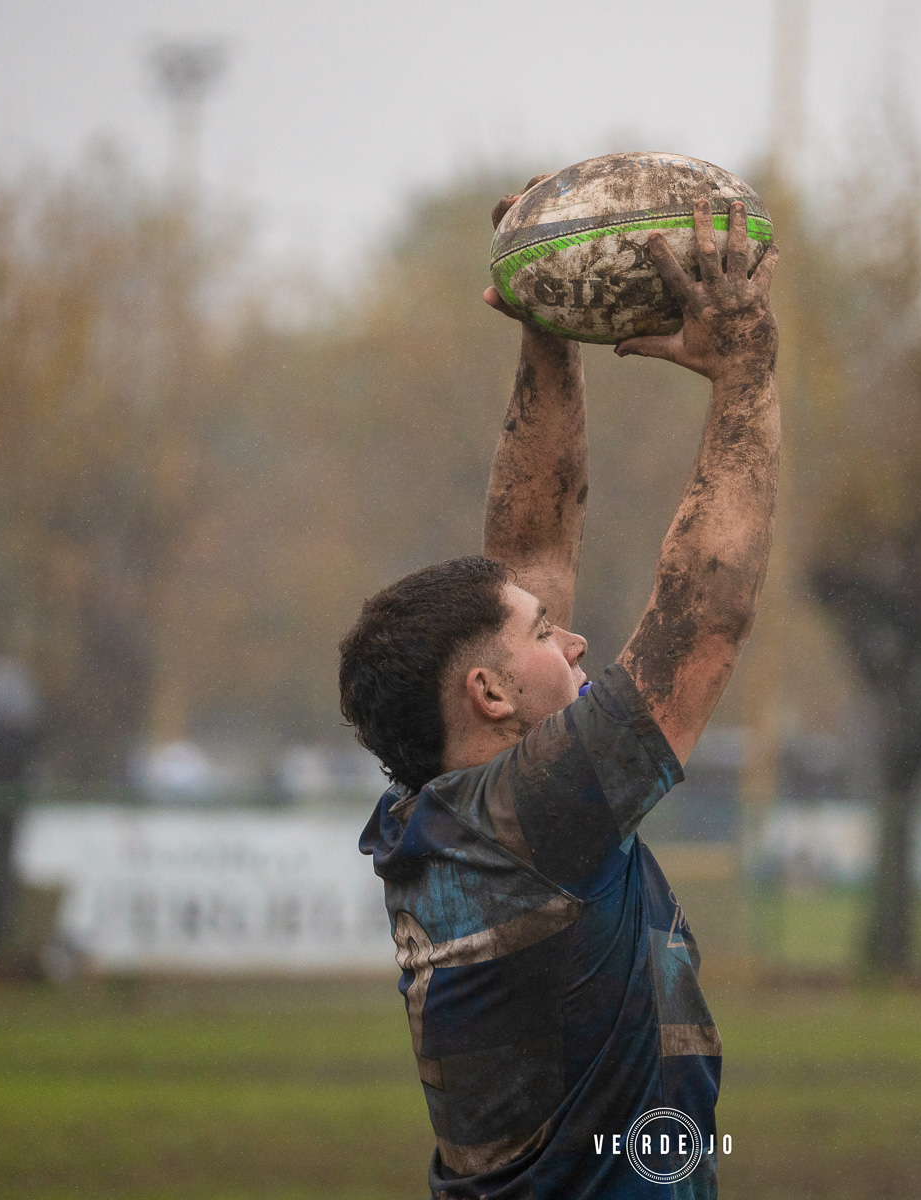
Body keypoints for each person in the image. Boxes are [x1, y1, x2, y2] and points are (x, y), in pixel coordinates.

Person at [340, 181, 780, 1199]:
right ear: (491, 693)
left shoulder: (448, 817)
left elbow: (530, 545)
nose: (572, 633)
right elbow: (704, 617)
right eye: (546, 637)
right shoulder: (535, 818)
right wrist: (747, 377)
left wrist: (551, 328)